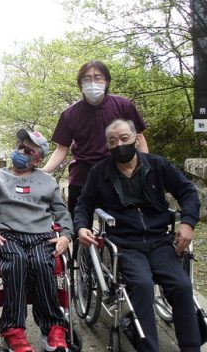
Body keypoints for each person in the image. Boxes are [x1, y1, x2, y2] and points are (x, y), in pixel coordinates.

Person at [74, 119, 201, 352]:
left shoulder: (157, 165)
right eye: (113, 141)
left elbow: (187, 192)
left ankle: (191, 347)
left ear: (136, 138)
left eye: (124, 138)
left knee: (182, 285)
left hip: (160, 240)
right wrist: (81, 227)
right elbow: (84, 204)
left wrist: (188, 223)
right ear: (107, 146)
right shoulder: (100, 172)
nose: (119, 144)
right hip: (125, 243)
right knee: (141, 286)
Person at [0, 128, 74, 352]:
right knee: (17, 262)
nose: (22, 151)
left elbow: (62, 213)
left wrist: (67, 236)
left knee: (42, 264)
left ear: (38, 158)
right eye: (21, 146)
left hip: (41, 235)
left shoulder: (47, 181)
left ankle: (53, 327)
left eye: (29, 150)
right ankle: (13, 330)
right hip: (7, 234)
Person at [43, 60, 148, 215]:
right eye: (87, 79)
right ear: (80, 85)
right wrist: (44, 171)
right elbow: (62, 148)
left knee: (119, 228)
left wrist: (145, 167)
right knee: (78, 225)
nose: (92, 82)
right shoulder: (69, 114)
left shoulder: (123, 105)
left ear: (107, 81)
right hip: (81, 177)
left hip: (118, 175)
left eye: (97, 78)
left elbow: (139, 137)